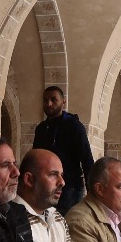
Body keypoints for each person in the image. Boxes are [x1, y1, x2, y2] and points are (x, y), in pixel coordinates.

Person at [32, 85, 95, 214]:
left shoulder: (74, 126)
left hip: (69, 187)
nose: (49, 104)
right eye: (45, 100)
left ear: (63, 102)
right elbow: (36, 157)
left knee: (67, 221)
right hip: (45, 187)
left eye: (53, 99)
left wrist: (92, 193)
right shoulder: (41, 129)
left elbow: (86, 159)